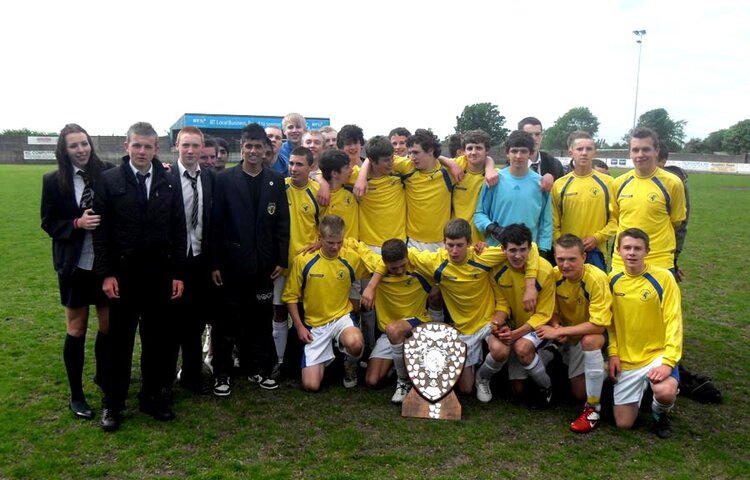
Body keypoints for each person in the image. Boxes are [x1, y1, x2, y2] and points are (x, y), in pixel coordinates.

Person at [373, 219, 540, 397]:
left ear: (469, 243)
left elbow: (533, 248)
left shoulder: (482, 256)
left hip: (487, 322)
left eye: (459, 245)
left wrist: (530, 285)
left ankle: (483, 378)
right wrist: (371, 285)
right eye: (450, 245)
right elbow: (391, 257)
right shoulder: (434, 261)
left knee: (500, 350)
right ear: (444, 242)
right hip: (461, 329)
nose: (454, 251)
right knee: (465, 389)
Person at [93, 121, 186, 431]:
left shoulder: (169, 181)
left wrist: (177, 273)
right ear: (126, 147)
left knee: (157, 343)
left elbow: (178, 229)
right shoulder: (108, 181)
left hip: (159, 275)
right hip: (123, 276)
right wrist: (106, 274)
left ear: (156, 149)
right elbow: (102, 234)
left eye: (148, 146)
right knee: (118, 343)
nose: (142, 151)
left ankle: (151, 397)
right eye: (137, 145)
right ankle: (113, 403)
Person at [210, 123, 290, 397]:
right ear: (241, 148)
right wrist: (216, 263)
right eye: (249, 146)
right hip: (231, 265)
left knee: (260, 321)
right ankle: (222, 373)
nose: (253, 151)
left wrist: (281, 258)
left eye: (258, 147)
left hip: (264, 266)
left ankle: (260, 369)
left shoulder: (276, 180)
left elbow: (281, 222)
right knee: (226, 322)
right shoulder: (223, 180)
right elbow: (216, 225)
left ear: (266, 150)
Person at [41, 123, 113, 420]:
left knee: (108, 327)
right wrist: (76, 224)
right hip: (74, 265)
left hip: (105, 265)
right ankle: (76, 394)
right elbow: (48, 222)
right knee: (77, 328)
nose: (81, 149)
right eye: (74, 146)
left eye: (84, 143)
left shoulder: (107, 172)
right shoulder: (53, 181)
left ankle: (105, 379)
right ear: (64, 150)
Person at [608, 228, 682, 438]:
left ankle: (660, 415)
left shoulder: (664, 278)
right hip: (627, 359)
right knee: (623, 424)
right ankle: (643, 391)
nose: (632, 252)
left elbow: (674, 320)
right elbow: (610, 324)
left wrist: (668, 361)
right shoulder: (612, 280)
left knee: (665, 392)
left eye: (637, 248)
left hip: (656, 355)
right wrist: (613, 353)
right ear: (619, 251)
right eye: (627, 248)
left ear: (647, 251)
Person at [282, 214, 368, 392]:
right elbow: (290, 298)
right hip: (315, 325)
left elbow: (378, 266)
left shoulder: (351, 258)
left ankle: (349, 365)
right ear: (320, 238)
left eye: (339, 242)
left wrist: (372, 287)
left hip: (341, 319)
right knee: (311, 385)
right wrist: (299, 327)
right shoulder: (304, 260)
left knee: (355, 343)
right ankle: (328, 360)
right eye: (330, 242)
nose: (335, 247)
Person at [536, 234, 612, 432]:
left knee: (591, 342)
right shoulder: (553, 275)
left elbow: (599, 326)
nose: (565, 265)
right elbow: (551, 310)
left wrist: (559, 331)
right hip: (564, 335)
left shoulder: (596, 279)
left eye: (572, 259)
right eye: (560, 259)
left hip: (586, 336)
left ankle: (594, 404)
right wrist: (556, 324)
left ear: (584, 257)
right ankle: (561, 363)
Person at [480, 224, 555, 406]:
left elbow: (543, 315)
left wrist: (515, 334)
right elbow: (502, 304)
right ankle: (481, 379)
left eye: (523, 250)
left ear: (530, 248)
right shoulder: (496, 270)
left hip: (536, 328)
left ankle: (547, 386)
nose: (518, 255)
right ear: (503, 249)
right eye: (512, 250)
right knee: (518, 390)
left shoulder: (545, 271)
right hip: (514, 328)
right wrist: (498, 324)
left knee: (522, 348)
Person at [166, 127, 215, 394]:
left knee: (196, 322)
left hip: (200, 260)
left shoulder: (208, 179)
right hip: (174, 261)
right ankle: (164, 377)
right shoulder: (166, 177)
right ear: (177, 146)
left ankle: (192, 376)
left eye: (195, 146)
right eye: (186, 145)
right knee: (171, 323)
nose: (191, 151)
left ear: (202, 146)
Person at [357, 238, 430, 403]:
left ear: (407, 257)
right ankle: (398, 366)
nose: (399, 271)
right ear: (384, 263)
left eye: (403, 265)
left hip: (417, 325)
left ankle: (403, 382)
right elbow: (355, 245)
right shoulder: (376, 265)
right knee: (372, 381)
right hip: (389, 334)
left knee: (393, 328)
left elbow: (446, 256)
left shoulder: (420, 264)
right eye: (393, 268)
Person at [271, 146, 320, 379]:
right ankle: (280, 362)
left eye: (299, 164)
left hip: (307, 266)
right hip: (281, 264)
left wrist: (319, 245)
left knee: (306, 314)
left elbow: (327, 228)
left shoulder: (319, 192)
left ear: (311, 167)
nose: (293, 168)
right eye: (291, 163)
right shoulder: (280, 187)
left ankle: (306, 359)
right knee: (279, 311)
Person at [611, 128, 686, 272]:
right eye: (635, 150)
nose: (640, 155)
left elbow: (677, 221)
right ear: (630, 152)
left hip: (659, 261)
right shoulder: (619, 183)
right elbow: (617, 218)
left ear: (656, 150)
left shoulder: (673, 183)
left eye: (646, 149)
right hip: (623, 262)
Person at [474, 130, 553, 259]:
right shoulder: (494, 180)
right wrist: (494, 229)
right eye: (514, 151)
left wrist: (543, 250)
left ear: (531, 153)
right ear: (507, 153)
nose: (518, 156)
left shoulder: (541, 183)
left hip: (527, 252)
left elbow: (546, 221)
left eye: (523, 151)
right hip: (497, 250)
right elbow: (479, 214)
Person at [550, 131, 616, 271]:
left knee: (596, 291)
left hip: (596, 252)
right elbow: (553, 222)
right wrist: (561, 245)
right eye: (580, 149)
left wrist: (597, 238)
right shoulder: (560, 185)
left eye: (589, 149)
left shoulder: (609, 183)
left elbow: (615, 219)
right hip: (567, 254)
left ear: (595, 153)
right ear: (571, 152)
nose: (584, 153)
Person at [657, 141, 690, 282]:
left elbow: (680, 225)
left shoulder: (676, 184)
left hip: (661, 256)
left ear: (663, 161)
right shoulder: (628, 181)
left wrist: (674, 259)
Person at [452, 130, 491, 243]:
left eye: (478, 148)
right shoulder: (455, 171)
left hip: (483, 241)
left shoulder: (494, 176)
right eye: (469, 148)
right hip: (458, 240)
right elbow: (435, 159)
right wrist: (450, 163)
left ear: (487, 150)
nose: (473, 152)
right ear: (464, 151)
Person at [518, 116, 565, 188]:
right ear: (519, 137)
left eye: (537, 134)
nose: (534, 138)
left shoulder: (554, 165)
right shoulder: (511, 166)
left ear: (542, 136)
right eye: (529, 135)